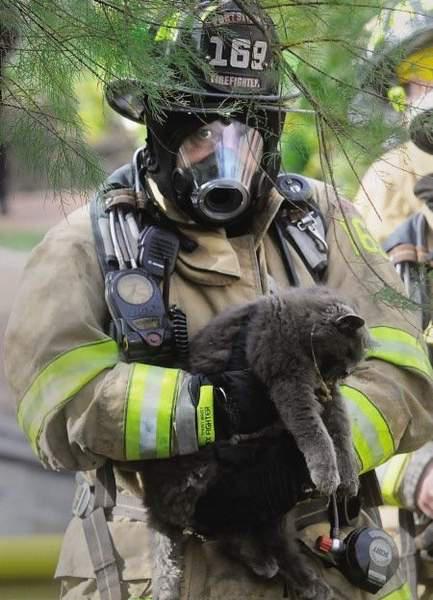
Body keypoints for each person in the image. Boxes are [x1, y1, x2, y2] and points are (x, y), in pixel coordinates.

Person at [4, 2, 433, 599]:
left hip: (320, 564)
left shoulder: (323, 222)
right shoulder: (86, 245)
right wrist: (213, 408)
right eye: (202, 132)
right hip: (168, 570)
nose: (225, 154)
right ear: (159, 128)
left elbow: (405, 369)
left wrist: (298, 458)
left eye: (244, 133)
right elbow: (54, 406)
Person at [352, 4, 433, 597]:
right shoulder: (388, 180)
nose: (422, 95)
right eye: (415, 83)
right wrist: (415, 470)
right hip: (409, 520)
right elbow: (356, 370)